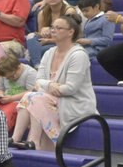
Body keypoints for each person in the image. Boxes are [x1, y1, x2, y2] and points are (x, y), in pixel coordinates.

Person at [12, 13, 97, 151]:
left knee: (34, 98)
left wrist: (45, 86)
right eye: (52, 27)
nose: (53, 30)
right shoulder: (49, 53)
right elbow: (38, 82)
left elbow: (70, 89)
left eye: (59, 28)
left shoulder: (79, 55)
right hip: (50, 99)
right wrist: (50, 85)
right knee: (32, 97)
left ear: (71, 32)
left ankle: (32, 141)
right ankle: (18, 140)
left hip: (74, 103)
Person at [0, 53, 38, 131]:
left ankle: (2, 133)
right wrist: (0, 95)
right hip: (5, 101)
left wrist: (12, 98)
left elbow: (32, 92)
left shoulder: (30, 73)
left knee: (6, 113)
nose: (10, 79)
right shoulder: (5, 73)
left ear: (19, 67)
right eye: (6, 78)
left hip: (20, 103)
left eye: (12, 76)